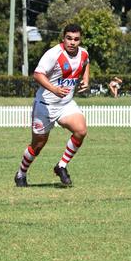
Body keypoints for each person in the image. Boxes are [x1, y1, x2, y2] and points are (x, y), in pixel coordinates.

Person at [14, 23, 90, 188]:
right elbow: (38, 74)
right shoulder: (53, 54)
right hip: (45, 105)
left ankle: (61, 166)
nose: (72, 42)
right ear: (63, 38)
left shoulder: (83, 53)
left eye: (76, 39)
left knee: (81, 130)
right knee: (38, 145)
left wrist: (86, 80)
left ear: (80, 40)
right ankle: (21, 173)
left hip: (66, 104)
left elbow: (86, 63)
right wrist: (54, 89)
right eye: (69, 38)